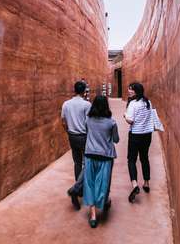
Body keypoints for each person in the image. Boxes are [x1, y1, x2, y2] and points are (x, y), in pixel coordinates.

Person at [83, 95, 119, 228]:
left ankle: (93, 215)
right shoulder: (111, 122)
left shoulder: (88, 120)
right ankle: (103, 201)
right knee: (103, 184)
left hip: (90, 154)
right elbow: (116, 139)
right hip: (105, 156)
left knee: (89, 183)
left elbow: (88, 134)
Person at [61, 81, 91, 209]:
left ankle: (77, 187)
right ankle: (78, 187)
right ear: (84, 91)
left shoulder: (66, 104)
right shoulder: (87, 104)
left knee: (77, 162)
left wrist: (68, 131)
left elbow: (63, 120)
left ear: (74, 90)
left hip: (72, 136)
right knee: (87, 162)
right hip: (84, 136)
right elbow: (89, 122)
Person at [124, 82, 154, 203]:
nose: (129, 91)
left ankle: (135, 185)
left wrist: (125, 115)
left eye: (131, 89)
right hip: (147, 135)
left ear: (136, 91)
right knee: (144, 158)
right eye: (129, 89)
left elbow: (130, 121)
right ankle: (146, 183)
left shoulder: (133, 104)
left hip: (135, 135)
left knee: (131, 159)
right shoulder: (148, 102)